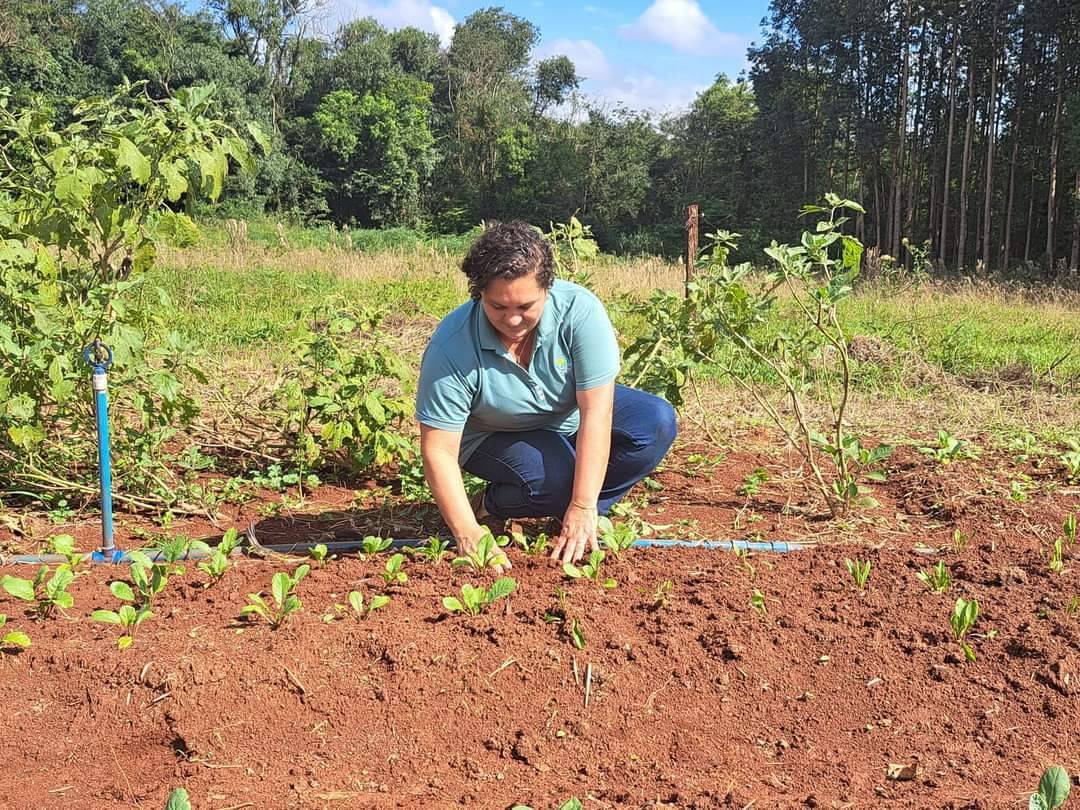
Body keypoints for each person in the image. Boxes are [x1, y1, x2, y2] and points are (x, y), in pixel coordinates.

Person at [415, 221, 676, 569]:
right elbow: (439, 449)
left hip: (563, 417)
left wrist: (584, 506)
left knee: (654, 422)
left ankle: (576, 513)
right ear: (478, 294)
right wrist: (468, 532)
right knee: (558, 481)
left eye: (525, 306)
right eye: (498, 307)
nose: (512, 320)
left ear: (547, 288)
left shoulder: (579, 313)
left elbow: (597, 412)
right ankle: (493, 503)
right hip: (493, 434)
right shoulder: (452, 346)